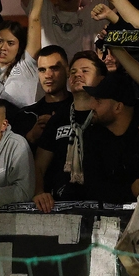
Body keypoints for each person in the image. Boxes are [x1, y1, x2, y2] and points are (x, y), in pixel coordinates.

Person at [32, 52, 108, 211]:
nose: (77, 75)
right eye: (73, 72)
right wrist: (39, 192)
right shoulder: (57, 119)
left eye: (85, 71)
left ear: (101, 79)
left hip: (103, 206)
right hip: (61, 206)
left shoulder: (108, 116)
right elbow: (38, 166)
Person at [79, 72, 139, 204]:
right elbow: (93, 188)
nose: (91, 105)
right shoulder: (93, 135)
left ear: (118, 107)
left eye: (98, 101)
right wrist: (129, 190)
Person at [11, 45, 70, 146]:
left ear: (68, 71)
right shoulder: (26, 115)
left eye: (54, 68)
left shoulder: (81, 109)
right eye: (42, 70)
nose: (48, 75)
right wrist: (31, 136)